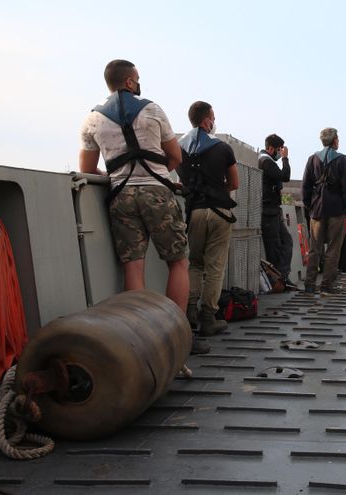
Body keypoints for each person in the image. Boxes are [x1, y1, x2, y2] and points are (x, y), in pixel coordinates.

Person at [78, 60, 193, 347]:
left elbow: (88, 168)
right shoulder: (152, 109)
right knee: (178, 263)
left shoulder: (92, 119)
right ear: (130, 82)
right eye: (137, 78)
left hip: (121, 195)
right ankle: (176, 335)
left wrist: (115, 174)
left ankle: (139, 337)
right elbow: (175, 157)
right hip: (157, 192)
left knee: (133, 266)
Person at [176, 101, 239, 351]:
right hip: (219, 213)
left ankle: (189, 313)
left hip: (195, 212)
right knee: (215, 266)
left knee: (194, 263)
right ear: (206, 121)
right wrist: (217, 191)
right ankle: (208, 318)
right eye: (213, 117)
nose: (214, 121)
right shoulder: (223, 148)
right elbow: (234, 183)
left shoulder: (179, 148)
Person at [301, 127, 346, 296]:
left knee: (315, 249)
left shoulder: (312, 159)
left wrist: (310, 206)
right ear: (334, 140)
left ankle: (309, 284)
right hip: (336, 209)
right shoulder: (342, 160)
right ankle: (326, 286)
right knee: (333, 249)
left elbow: (305, 187)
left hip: (317, 209)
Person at [259, 134, 295, 287]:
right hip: (268, 212)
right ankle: (277, 282)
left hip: (273, 211)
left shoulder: (265, 161)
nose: (280, 154)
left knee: (286, 242)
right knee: (274, 248)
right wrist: (286, 159)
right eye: (279, 150)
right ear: (271, 148)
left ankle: (283, 278)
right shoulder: (265, 161)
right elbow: (285, 176)